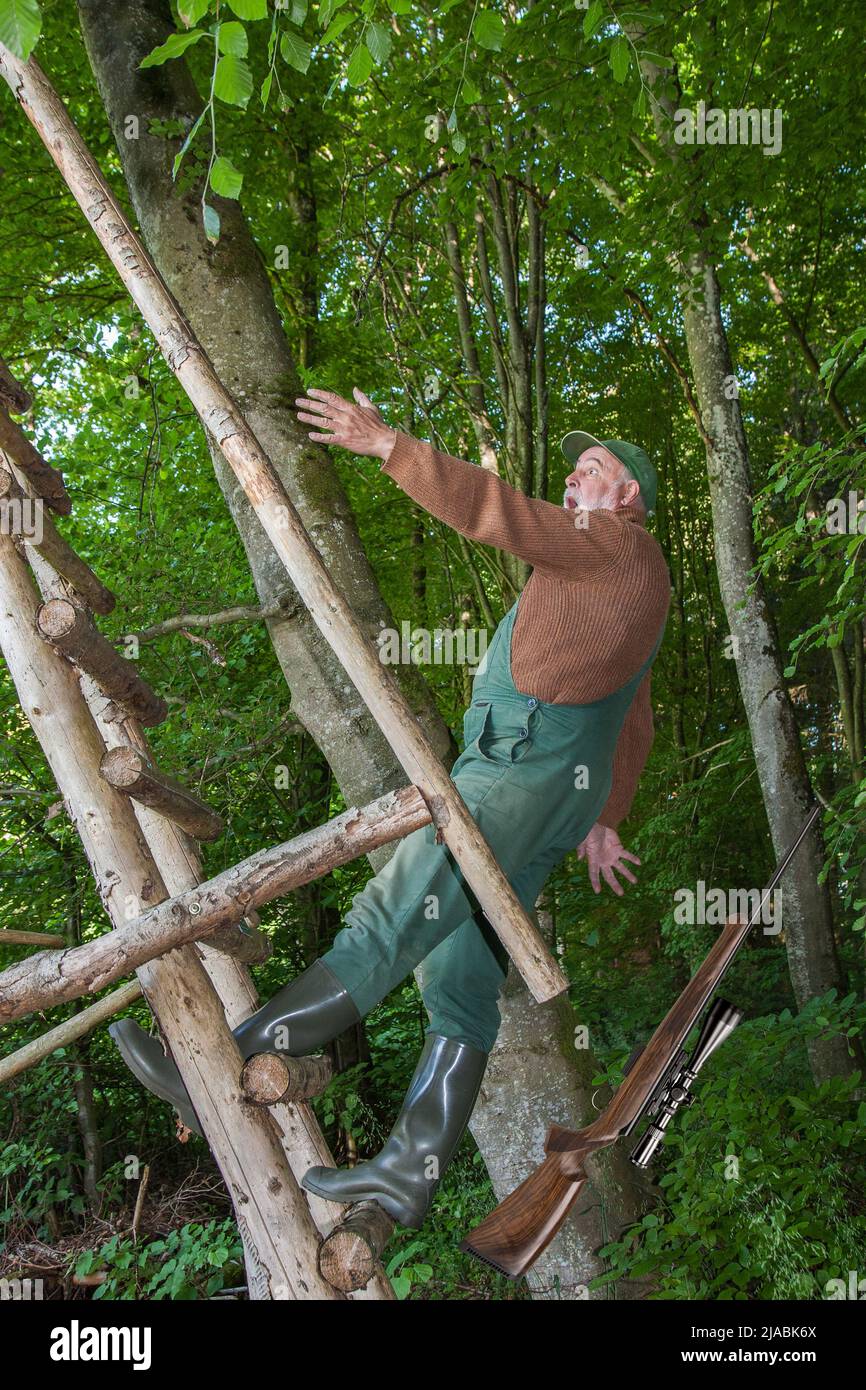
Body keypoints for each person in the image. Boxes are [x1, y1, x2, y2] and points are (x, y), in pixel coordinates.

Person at [111, 388, 671, 1232]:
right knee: (460, 974)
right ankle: (411, 1170)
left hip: (518, 774)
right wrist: (605, 815)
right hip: (552, 793)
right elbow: (636, 711)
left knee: (394, 912)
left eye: (591, 470)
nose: (572, 477)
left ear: (626, 494)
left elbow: (498, 513)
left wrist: (389, 445)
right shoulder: (624, 583)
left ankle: (228, 1058)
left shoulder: (614, 546)